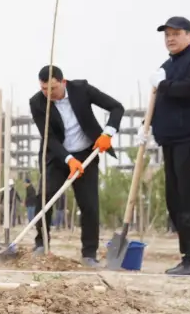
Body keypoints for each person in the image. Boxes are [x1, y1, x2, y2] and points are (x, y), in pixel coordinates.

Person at [30, 66, 123, 266]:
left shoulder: (82, 89)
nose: (48, 94)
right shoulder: (37, 103)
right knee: (44, 197)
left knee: (89, 204)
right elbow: (50, 138)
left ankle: (89, 253)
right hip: (57, 156)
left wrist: (107, 133)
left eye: (52, 89)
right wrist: (69, 160)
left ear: (63, 82)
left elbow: (117, 107)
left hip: (87, 153)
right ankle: (41, 244)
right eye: (44, 89)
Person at [147, 16, 190, 276]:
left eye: (176, 33)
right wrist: (149, 123)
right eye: (167, 35)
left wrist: (163, 84)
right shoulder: (168, 65)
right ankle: (187, 256)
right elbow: (163, 100)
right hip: (172, 142)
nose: (171, 38)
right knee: (175, 200)